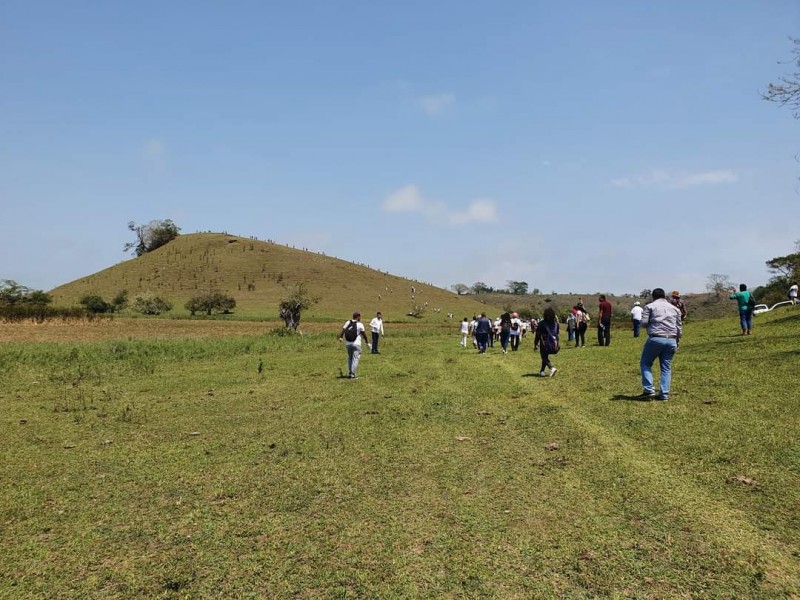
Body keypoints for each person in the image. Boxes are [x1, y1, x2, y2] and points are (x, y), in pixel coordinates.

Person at [638, 288, 682, 401]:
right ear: (664, 296)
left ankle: (649, 390)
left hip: (656, 338)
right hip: (671, 340)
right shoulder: (675, 309)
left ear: (653, 296)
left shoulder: (650, 306)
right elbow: (679, 327)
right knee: (666, 368)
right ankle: (664, 394)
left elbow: (643, 323)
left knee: (646, 363)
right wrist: (677, 341)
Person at [338, 311, 371, 379]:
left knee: (350, 358)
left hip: (348, 344)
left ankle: (350, 372)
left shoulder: (348, 322)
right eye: (360, 316)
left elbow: (343, 331)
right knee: (355, 359)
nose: (360, 318)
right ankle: (352, 375)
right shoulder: (360, 324)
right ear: (358, 317)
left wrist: (341, 337)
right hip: (356, 344)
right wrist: (367, 342)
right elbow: (364, 335)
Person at [535, 307, 560, 377]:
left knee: (543, 356)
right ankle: (542, 371)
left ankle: (551, 368)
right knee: (545, 355)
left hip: (545, 343)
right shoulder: (556, 323)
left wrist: (535, 344)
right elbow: (557, 333)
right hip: (555, 345)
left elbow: (538, 335)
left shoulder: (542, 323)